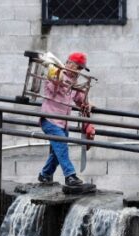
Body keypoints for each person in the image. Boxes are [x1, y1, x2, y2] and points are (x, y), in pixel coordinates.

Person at [37, 52, 95, 187]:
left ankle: (45, 174)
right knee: (62, 148)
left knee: (58, 152)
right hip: (50, 119)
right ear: (69, 64)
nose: (79, 71)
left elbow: (80, 99)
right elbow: (52, 85)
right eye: (78, 67)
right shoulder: (57, 74)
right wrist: (58, 78)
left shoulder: (74, 83)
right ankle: (70, 176)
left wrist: (88, 104)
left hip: (62, 123)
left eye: (81, 69)